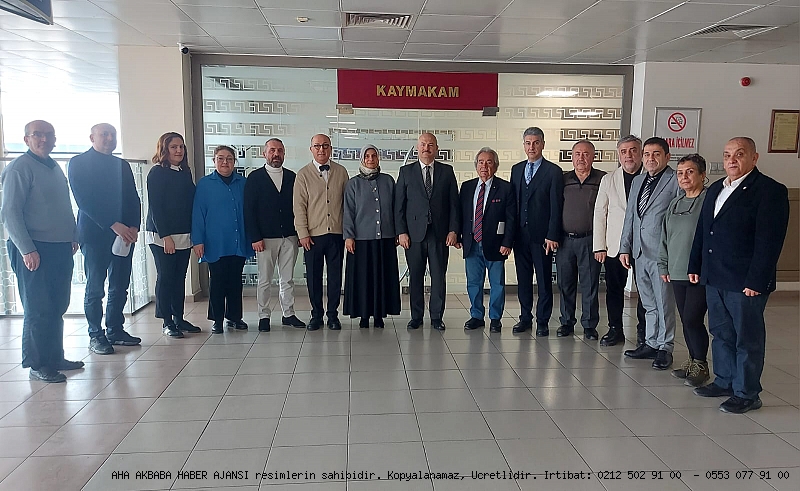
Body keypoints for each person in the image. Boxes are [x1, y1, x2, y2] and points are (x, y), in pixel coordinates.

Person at [689, 137, 789, 414]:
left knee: (747, 338)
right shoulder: (716, 189)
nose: (731, 160)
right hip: (715, 276)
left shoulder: (769, 191)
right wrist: (695, 265)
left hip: (745, 282)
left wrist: (757, 280)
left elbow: (769, 241)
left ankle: (747, 393)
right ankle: (725, 380)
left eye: (739, 154)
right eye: (727, 155)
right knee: (721, 333)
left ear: (754, 158)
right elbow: (703, 231)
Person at [0, 120, 80, 383]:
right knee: (38, 307)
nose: (44, 139)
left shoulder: (54, 167)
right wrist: (27, 249)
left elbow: (64, 205)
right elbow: (10, 213)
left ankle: (55, 357)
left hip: (59, 247)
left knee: (57, 304)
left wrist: (72, 235)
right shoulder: (19, 168)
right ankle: (37, 363)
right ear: (26, 139)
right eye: (38, 135)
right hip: (34, 249)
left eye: (49, 135)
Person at [68, 123, 142, 355]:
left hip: (124, 235)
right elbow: (84, 200)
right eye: (104, 134)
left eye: (112, 135)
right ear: (92, 137)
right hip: (94, 235)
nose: (109, 138)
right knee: (95, 288)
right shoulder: (78, 163)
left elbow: (133, 197)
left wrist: (133, 226)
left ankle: (115, 329)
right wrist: (113, 224)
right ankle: (95, 334)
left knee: (120, 286)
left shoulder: (122, 165)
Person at [619, 137, 679, 370]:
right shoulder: (638, 180)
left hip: (662, 253)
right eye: (646, 154)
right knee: (648, 303)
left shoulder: (675, 180)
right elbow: (631, 217)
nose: (650, 158)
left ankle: (666, 347)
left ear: (667, 157)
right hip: (639, 252)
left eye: (656, 154)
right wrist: (625, 247)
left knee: (664, 303)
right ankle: (651, 343)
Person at [394, 132, 460, 331]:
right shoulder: (406, 172)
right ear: (417, 148)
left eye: (430, 145)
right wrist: (401, 232)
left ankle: (437, 317)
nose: (426, 148)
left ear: (436, 149)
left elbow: (454, 205)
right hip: (413, 235)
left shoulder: (447, 171)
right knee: (415, 276)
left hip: (440, 234)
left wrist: (453, 230)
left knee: (438, 277)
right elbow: (399, 206)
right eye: (423, 144)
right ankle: (416, 316)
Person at [658, 154, 710, 387]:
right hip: (676, 271)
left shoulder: (708, 202)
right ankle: (692, 360)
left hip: (698, 272)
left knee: (692, 318)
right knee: (685, 318)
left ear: (702, 175)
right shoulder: (675, 203)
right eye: (680, 173)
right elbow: (665, 237)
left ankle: (701, 364)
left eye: (690, 172)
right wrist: (663, 264)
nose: (684, 177)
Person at [244, 138, 305, 332]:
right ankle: (264, 315)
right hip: (265, 238)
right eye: (272, 150)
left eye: (279, 150)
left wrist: (300, 233)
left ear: (284, 154)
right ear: (264, 154)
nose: (276, 154)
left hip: (289, 236)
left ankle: (288, 314)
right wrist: (255, 237)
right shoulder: (255, 178)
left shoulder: (292, 177)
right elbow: (249, 210)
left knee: (287, 279)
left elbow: (299, 207)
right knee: (265, 279)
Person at [192, 145, 254, 334]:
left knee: (235, 281)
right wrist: (198, 240)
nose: (225, 162)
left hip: (237, 240)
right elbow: (198, 213)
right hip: (215, 242)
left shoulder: (243, 183)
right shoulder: (205, 184)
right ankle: (217, 319)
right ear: (214, 161)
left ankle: (234, 317)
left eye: (229, 158)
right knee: (217, 281)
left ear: (234, 162)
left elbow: (250, 211)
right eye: (220, 158)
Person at [593, 135, 648, 346]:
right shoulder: (609, 179)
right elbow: (600, 213)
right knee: (614, 289)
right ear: (618, 155)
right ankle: (615, 329)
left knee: (645, 290)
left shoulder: (651, 177)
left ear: (640, 153)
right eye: (624, 151)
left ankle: (644, 331)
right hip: (615, 245)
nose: (629, 155)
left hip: (643, 245)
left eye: (633, 150)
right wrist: (599, 246)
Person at [510, 127, 563, 336]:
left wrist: (552, 234)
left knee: (543, 280)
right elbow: (513, 204)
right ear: (524, 145)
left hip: (543, 237)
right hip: (520, 235)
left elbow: (556, 206)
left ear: (543, 144)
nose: (531, 147)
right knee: (523, 280)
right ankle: (525, 318)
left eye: (536, 142)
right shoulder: (516, 169)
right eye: (528, 143)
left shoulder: (553, 171)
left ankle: (543, 320)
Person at [145, 132, 199, 338]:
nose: (179, 150)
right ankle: (166, 321)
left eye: (181, 147)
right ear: (164, 149)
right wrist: (166, 236)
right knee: (166, 277)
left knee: (179, 278)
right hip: (162, 236)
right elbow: (156, 207)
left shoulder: (185, 172)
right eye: (174, 147)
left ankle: (179, 317)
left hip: (183, 234)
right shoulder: (157, 172)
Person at [293, 134, 348, 331]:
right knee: (314, 277)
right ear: (311, 149)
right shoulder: (303, 174)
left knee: (335, 277)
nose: (321, 149)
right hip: (312, 236)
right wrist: (303, 233)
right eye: (317, 146)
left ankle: (333, 315)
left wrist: (348, 232)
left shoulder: (341, 172)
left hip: (337, 234)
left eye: (325, 146)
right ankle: (316, 314)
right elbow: (299, 206)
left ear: (330, 148)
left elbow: (348, 204)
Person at [342, 145, 401, 328]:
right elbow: (348, 212)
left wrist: (397, 232)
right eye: (367, 156)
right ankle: (364, 315)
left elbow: (396, 209)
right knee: (364, 279)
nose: (370, 159)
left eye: (373, 155)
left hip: (385, 238)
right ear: (362, 159)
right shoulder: (353, 184)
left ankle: (379, 315)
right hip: (361, 240)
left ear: (378, 158)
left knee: (382, 278)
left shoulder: (388, 181)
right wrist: (349, 236)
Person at [458, 147, 515, 333]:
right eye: (481, 162)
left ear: (495, 166)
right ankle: (476, 316)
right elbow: (460, 214)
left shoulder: (505, 188)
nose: (484, 166)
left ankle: (495, 318)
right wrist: (457, 236)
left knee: (497, 283)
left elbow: (511, 218)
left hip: (496, 245)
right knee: (474, 283)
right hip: (472, 243)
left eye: (489, 162)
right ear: (476, 166)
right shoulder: (467, 187)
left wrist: (507, 242)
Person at [556, 140, 606, 340]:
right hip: (565, 241)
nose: (581, 158)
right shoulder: (563, 179)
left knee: (590, 284)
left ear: (593, 156)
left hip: (590, 240)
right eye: (577, 154)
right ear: (572, 156)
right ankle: (566, 322)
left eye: (586, 154)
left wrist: (602, 243)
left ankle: (589, 325)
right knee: (565, 283)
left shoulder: (602, 179)